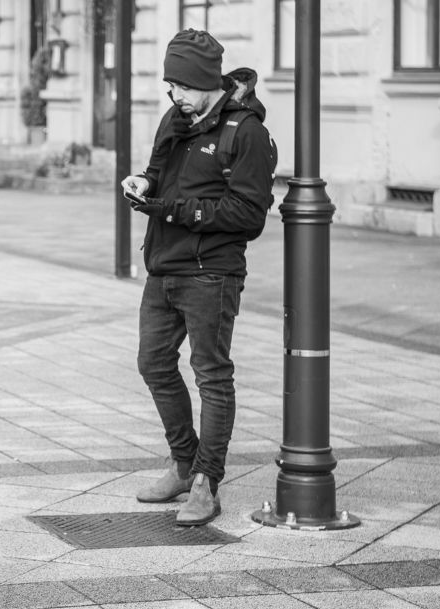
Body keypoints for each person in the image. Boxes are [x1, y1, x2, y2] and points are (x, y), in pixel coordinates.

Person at [121, 30, 276, 526]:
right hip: (164, 265)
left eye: (182, 86)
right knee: (153, 363)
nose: (175, 96)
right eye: (170, 86)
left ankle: (207, 481)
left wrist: (172, 208)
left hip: (212, 273)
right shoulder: (175, 118)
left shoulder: (245, 131)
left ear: (206, 81)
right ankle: (183, 462)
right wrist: (142, 183)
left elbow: (249, 215)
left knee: (211, 374)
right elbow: (158, 170)